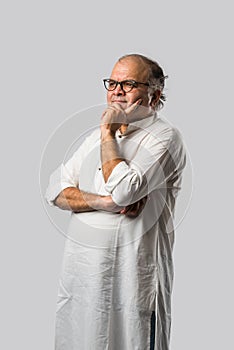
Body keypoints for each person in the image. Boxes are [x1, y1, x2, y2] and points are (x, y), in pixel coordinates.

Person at [46, 53, 186, 350]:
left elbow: (124, 190)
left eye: (129, 83)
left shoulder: (164, 138)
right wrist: (102, 202)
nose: (117, 90)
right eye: (113, 83)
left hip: (133, 282)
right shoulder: (91, 142)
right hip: (84, 280)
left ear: (154, 94)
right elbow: (55, 191)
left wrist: (107, 132)